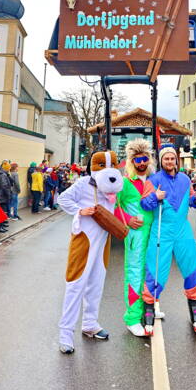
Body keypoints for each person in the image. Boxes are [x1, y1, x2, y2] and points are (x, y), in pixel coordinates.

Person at [57, 150, 123, 354]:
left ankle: (90, 324)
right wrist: (79, 210)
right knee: (76, 284)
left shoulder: (112, 189)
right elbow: (63, 199)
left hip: (103, 241)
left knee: (96, 283)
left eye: (112, 165)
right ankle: (65, 333)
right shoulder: (83, 183)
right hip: (84, 240)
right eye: (103, 165)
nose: (108, 170)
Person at [141, 145, 196, 334]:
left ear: (177, 160)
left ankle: (195, 309)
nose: (170, 161)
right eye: (166, 159)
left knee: (191, 266)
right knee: (157, 268)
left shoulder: (185, 179)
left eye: (172, 158)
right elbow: (144, 204)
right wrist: (155, 196)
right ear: (161, 161)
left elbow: (193, 202)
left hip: (183, 230)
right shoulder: (154, 180)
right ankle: (149, 308)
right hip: (162, 230)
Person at [115, 138, 156, 337]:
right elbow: (114, 207)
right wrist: (129, 220)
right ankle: (132, 318)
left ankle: (148, 309)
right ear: (132, 161)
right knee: (134, 274)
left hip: (153, 234)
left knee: (151, 271)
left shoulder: (153, 181)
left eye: (145, 158)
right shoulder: (124, 183)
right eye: (138, 159)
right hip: (135, 236)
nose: (142, 163)